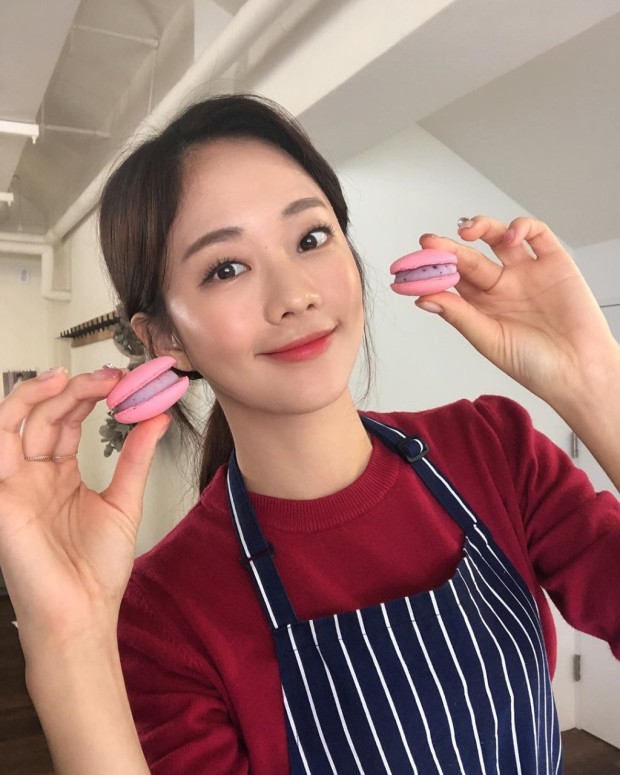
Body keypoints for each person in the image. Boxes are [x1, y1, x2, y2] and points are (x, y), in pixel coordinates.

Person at [0, 93, 618, 775]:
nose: (295, 293)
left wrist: (597, 385)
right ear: (166, 338)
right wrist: (68, 642)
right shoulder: (165, 614)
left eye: (311, 238)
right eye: (226, 268)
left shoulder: (493, 447)